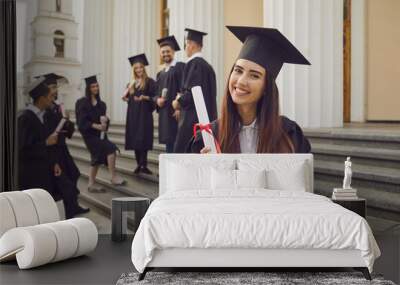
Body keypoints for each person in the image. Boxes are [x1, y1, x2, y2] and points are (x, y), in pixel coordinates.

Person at [189, 26, 311, 154]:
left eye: (254, 75)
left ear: (266, 88)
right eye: (238, 70)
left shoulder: (288, 134)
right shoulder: (210, 136)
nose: (241, 81)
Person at [18, 77, 88, 218]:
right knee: (38, 208)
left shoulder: (43, 116)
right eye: (50, 96)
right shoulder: (25, 118)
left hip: (47, 165)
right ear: (41, 98)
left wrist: (54, 162)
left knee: (67, 189)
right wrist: (45, 143)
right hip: (33, 173)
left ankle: (69, 221)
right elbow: (22, 149)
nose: (52, 100)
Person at [75, 75, 125, 191]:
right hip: (89, 136)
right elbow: (81, 122)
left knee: (96, 158)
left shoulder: (102, 104)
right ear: (88, 88)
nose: (95, 88)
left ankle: (91, 184)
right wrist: (96, 126)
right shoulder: (82, 103)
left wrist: (106, 121)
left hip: (101, 135)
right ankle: (113, 177)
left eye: (97, 86)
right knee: (111, 149)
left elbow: (104, 125)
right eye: (93, 86)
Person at [172, 28, 217, 153]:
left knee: (185, 154)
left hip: (192, 121)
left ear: (191, 45)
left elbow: (192, 93)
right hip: (206, 120)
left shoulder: (194, 64)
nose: (186, 48)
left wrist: (177, 102)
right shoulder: (208, 67)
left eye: (186, 45)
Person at [38, 73, 81, 194]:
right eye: (52, 87)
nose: (55, 90)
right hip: (53, 150)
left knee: (73, 174)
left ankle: (72, 206)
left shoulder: (58, 107)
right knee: (64, 178)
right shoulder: (43, 109)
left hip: (62, 147)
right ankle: (70, 207)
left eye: (55, 87)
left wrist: (67, 122)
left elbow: (67, 131)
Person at [123, 54, 156, 174]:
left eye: (140, 67)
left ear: (144, 68)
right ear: (134, 70)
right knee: (135, 139)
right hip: (133, 115)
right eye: (136, 68)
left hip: (144, 114)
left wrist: (145, 97)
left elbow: (154, 97)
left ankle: (144, 164)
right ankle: (138, 164)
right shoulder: (130, 84)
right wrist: (127, 98)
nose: (139, 70)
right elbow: (127, 98)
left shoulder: (150, 82)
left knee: (143, 138)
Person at [155, 35, 185, 153]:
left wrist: (179, 107)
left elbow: (184, 88)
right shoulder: (160, 73)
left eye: (168, 51)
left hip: (175, 113)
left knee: (177, 143)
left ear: (173, 52)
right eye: (163, 52)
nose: (165, 54)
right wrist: (157, 100)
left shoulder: (180, 67)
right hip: (164, 114)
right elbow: (156, 92)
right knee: (169, 143)